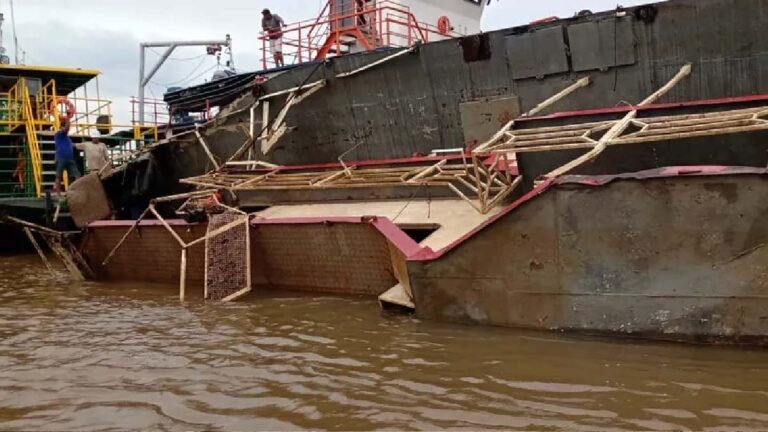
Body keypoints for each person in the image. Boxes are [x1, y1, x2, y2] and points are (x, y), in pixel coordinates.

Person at [53, 117, 81, 193]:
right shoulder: (59, 134)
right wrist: (68, 119)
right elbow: (67, 129)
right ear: (61, 127)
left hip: (70, 158)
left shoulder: (68, 138)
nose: (64, 128)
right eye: (63, 126)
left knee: (77, 174)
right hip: (61, 157)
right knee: (59, 176)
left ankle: (77, 191)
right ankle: (58, 194)